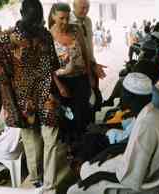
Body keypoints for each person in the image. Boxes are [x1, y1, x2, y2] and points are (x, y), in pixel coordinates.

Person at [0, 0, 66, 194]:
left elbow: (2, 77)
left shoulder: (5, 40)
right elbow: (53, 67)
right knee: (45, 143)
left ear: (21, 11)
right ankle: (44, 184)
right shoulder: (43, 36)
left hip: (31, 99)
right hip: (39, 97)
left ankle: (41, 182)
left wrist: (10, 107)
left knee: (39, 142)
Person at [67, 72, 159, 194]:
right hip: (138, 168)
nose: (120, 95)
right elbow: (135, 147)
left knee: (73, 190)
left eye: (123, 92)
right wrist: (109, 151)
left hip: (142, 184)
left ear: (132, 97)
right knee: (86, 168)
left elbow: (133, 176)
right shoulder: (152, 113)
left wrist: (100, 175)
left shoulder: (146, 125)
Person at [48, 2, 95, 142]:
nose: (65, 21)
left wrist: (90, 75)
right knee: (67, 116)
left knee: (82, 113)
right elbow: (48, 65)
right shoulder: (49, 36)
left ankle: (82, 145)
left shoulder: (76, 30)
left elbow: (85, 54)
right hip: (63, 82)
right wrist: (59, 86)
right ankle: (70, 147)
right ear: (53, 16)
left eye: (67, 18)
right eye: (61, 18)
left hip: (81, 79)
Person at [70, 0, 107, 120]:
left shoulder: (88, 21)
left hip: (91, 64)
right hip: (78, 70)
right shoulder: (69, 22)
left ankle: (91, 126)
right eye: (82, 8)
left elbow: (89, 45)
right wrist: (90, 69)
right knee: (83, 103)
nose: (85, 11)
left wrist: (94, 64)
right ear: (73, 6)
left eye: (87, 8)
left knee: (95, 100)